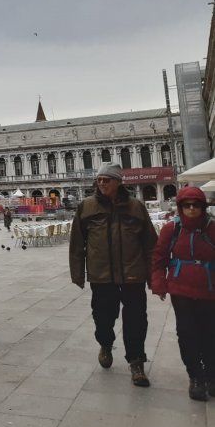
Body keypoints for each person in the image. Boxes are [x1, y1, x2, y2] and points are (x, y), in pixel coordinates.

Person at [69, 163, 158, 388]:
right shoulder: (86, 207)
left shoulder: (136, 207)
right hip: (102, 275)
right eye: (99, 179)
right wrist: (78, 273)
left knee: (136, 319)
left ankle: (136, 361)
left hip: (132, 274)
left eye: (107, 179)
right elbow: (77, 243)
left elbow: (150, 243)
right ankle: (106, 344)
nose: (102, 183)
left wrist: (154, 275)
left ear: (119, 182)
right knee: (103, 317)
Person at [151, 186, 215, 401]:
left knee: (209, 333)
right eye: (186, 205)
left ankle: (211, 375)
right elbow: (159, 258)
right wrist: (158, 283)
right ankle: (196, 376)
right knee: (187, 333)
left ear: (203, 207)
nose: (191, 209)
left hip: (209, 290)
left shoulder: (212, 228)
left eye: (196, 205)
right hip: (181, 289)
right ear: (179, 207)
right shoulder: (172, 229)